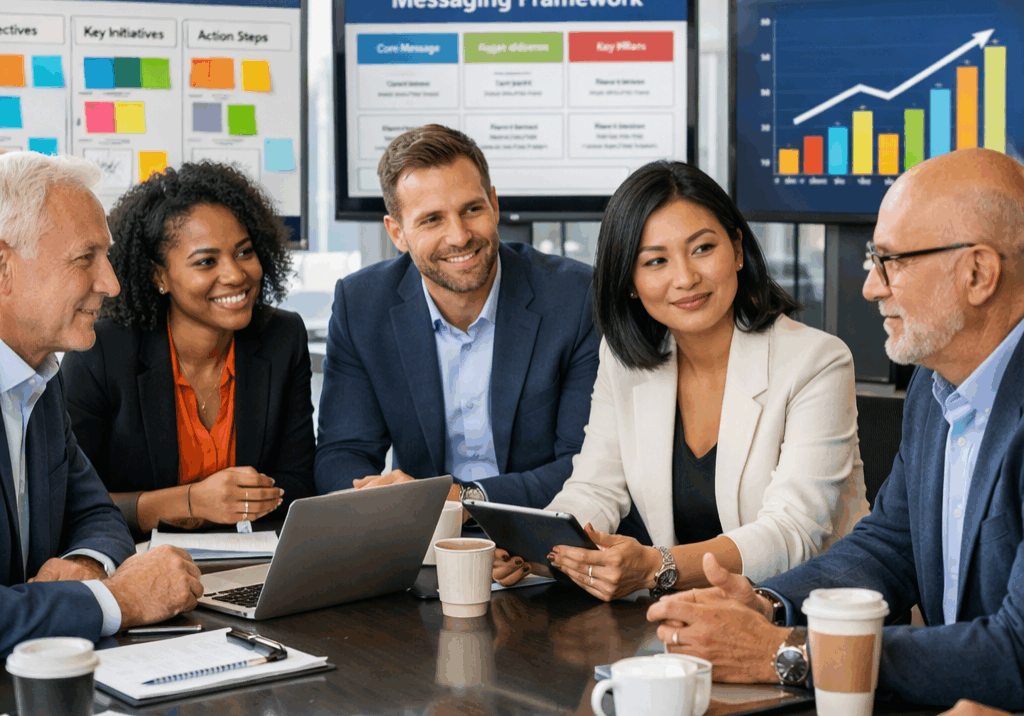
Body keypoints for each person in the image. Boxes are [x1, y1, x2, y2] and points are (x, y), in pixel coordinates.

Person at [647, 147, 1024, 710]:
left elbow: (1017, 654)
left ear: (978, 273)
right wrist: (768, 605)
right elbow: (892, 546)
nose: (872, 286)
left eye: (891, 261)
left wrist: (784, 650)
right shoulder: (934, 384)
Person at [494, 160, 868, 600]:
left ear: (737, 248)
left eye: (703, 249)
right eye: (655, 261)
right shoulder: (624, 362)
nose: (686, 278)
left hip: (808, 612)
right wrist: (543, 550)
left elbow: (792, 532)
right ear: (630, 282)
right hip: (691, 616)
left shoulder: (816, 361)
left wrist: (657, 566)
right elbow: (596, 486)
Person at [314, 125, 599, 508]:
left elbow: (586, 465)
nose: (459, 236)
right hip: (423, 536)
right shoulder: (361, 305)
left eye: (472, 209)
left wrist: (464, 501)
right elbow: (342, 453)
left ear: (494, 205)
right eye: (432, 219)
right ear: (397, 233)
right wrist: (380, 501)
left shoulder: (576, 298)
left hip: (543, 529)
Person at [0, 151, 202, 655]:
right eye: (85, 257)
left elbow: (97, 512)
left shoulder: (39, 380)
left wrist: (86, 568)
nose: (110, 283)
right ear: (3, 268)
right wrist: (116, 600)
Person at [61, 161, 316, 537]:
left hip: (252, 566)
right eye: (206, 262)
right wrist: (191, 502)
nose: (234, 274)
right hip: (137, 566)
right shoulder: (100, 351)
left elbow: (298, 484)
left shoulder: (283, 337)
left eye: (244, 252)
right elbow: (69, 500)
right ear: (159, 275)